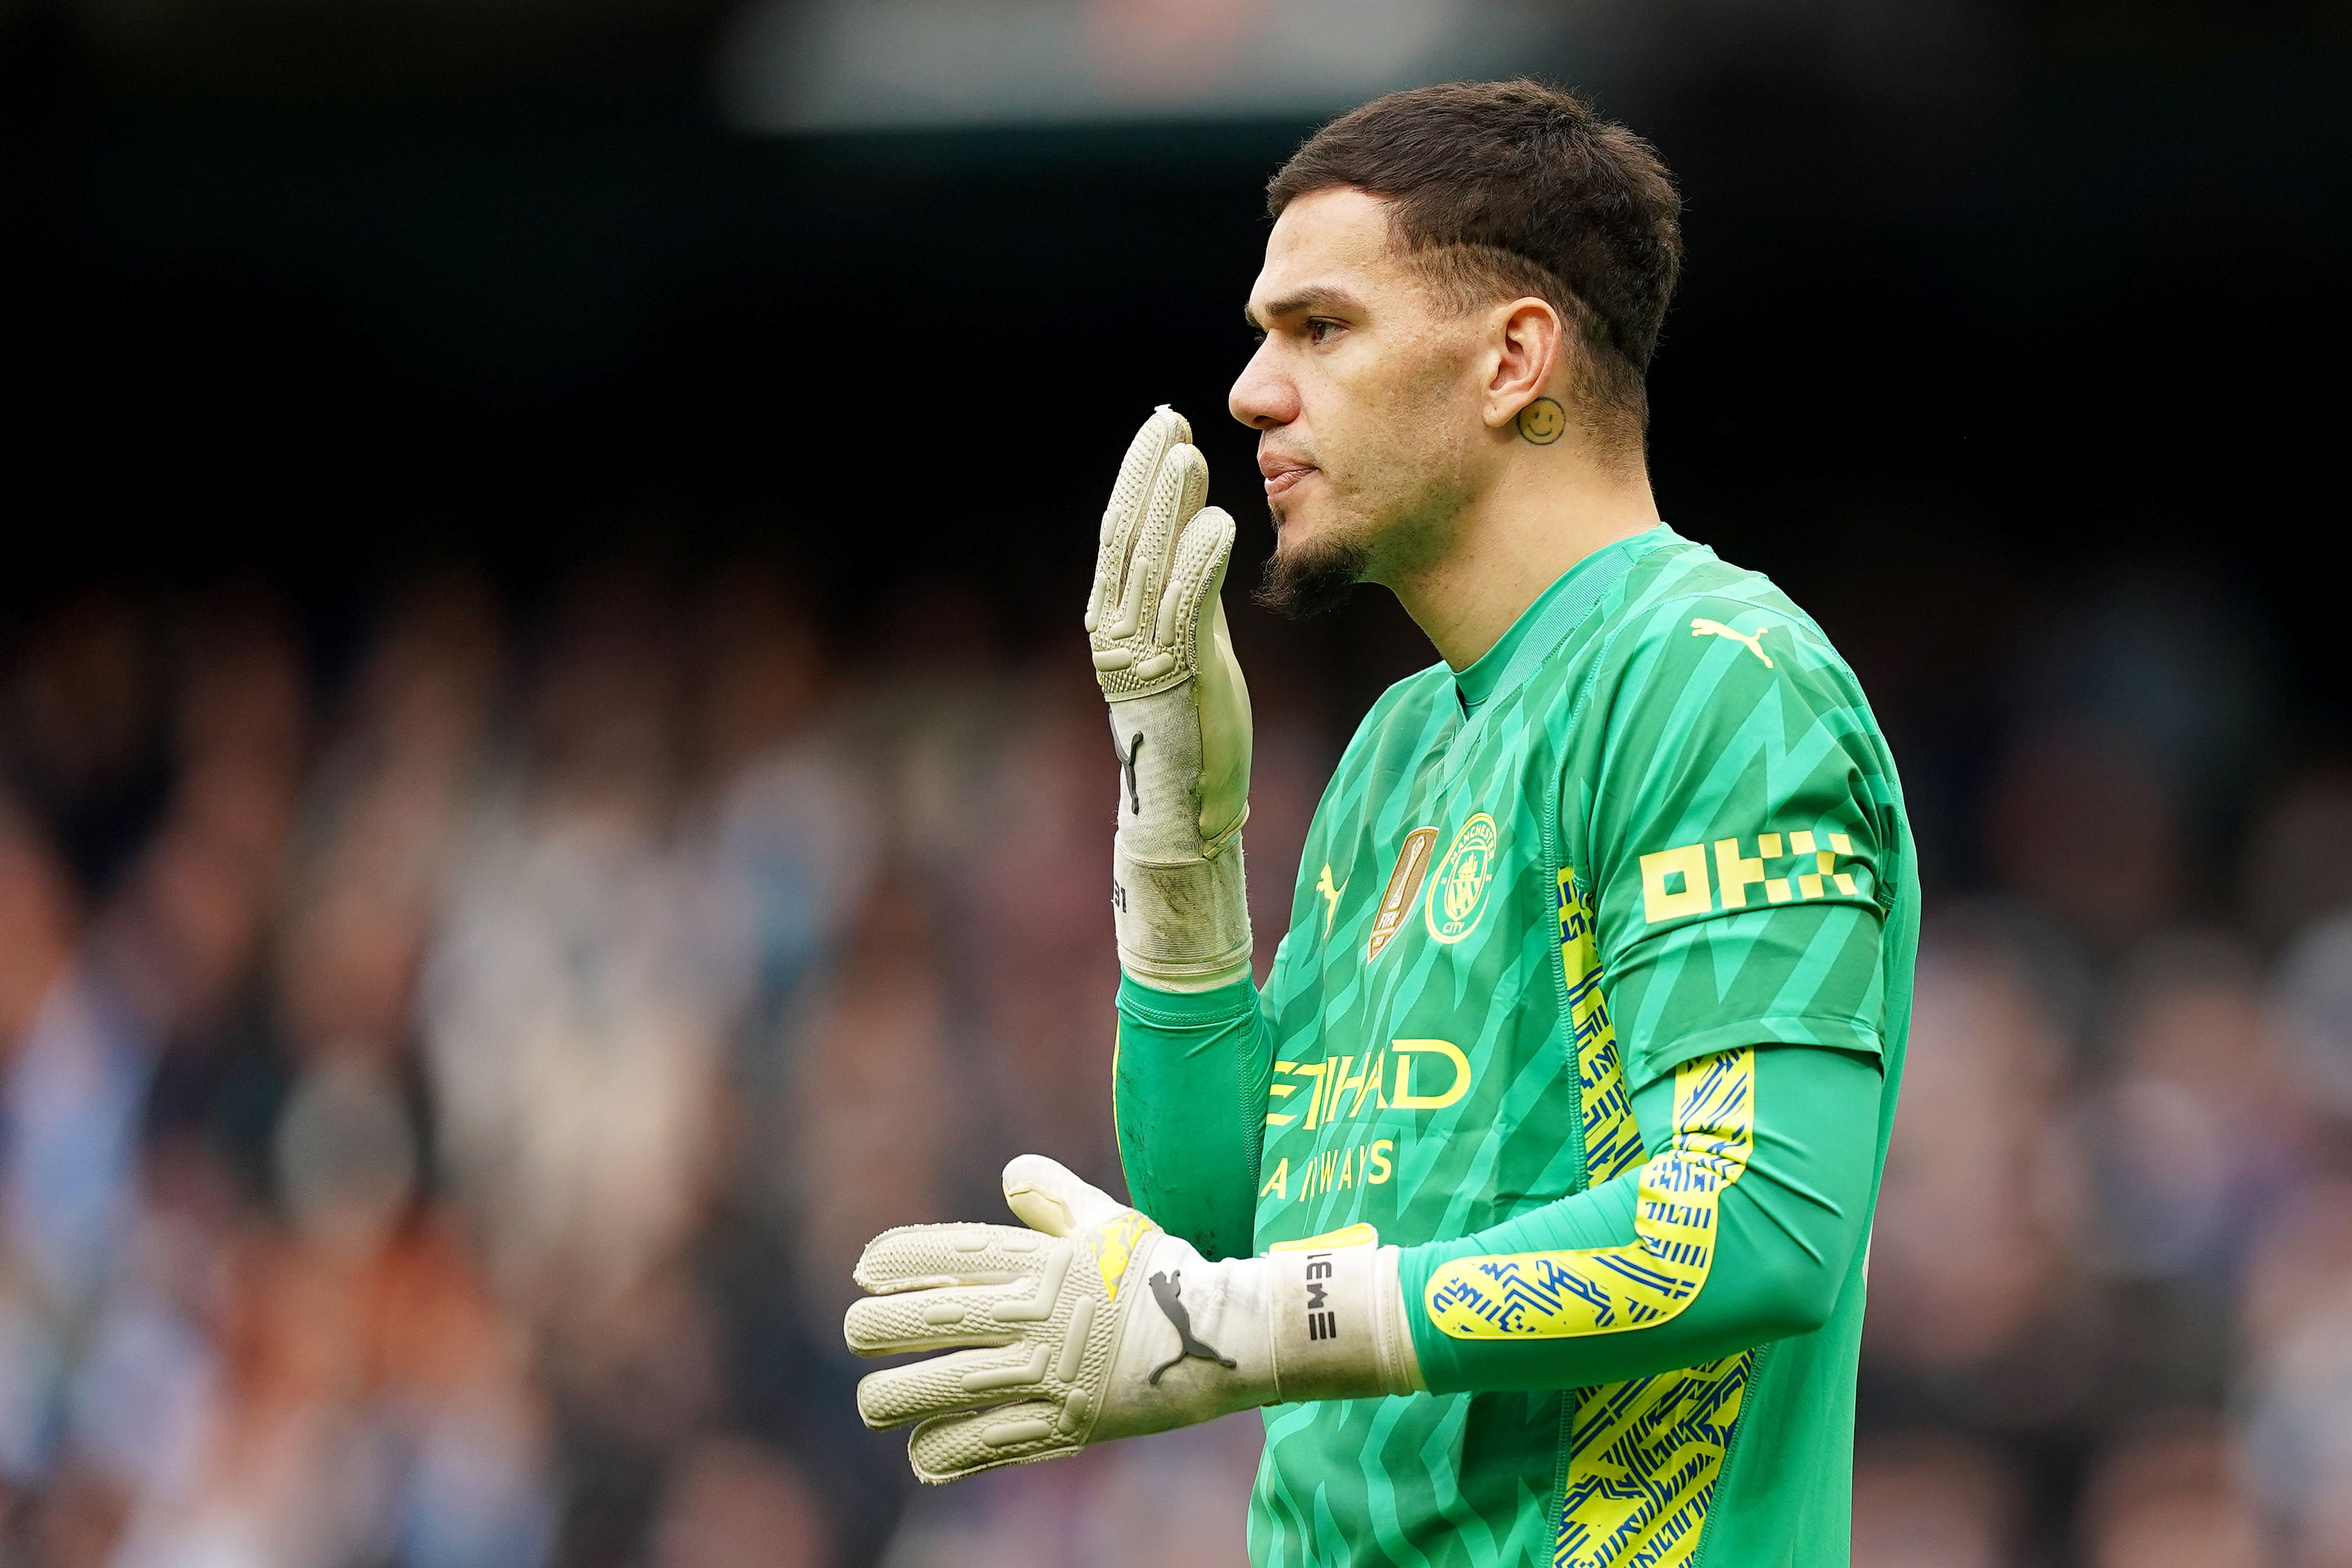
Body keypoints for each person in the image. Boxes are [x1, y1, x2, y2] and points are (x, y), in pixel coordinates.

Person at [846, 79, 1915, 1568]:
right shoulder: (1401, 746)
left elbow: (1748, 1220)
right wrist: (1179, 826)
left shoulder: (1711, 678)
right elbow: (1230, 1217)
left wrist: (1237, 1324)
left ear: (1513, 358)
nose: (1252, 391)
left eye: (1320, 328)